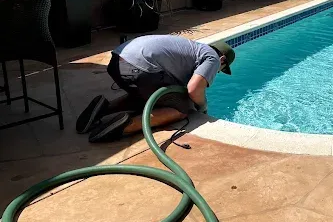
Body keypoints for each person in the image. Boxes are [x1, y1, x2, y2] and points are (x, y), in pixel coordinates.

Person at [77, 35, 235, 143]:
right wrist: (202, 106)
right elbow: (194, 90)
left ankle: (104, 108)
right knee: (181, 109)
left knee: (150, 95)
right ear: (222, 60)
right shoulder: (213, 58)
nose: (217, 71)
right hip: (138, 69)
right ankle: (124, 126)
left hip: (116, 63)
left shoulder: (193, 48)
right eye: (221, 69)